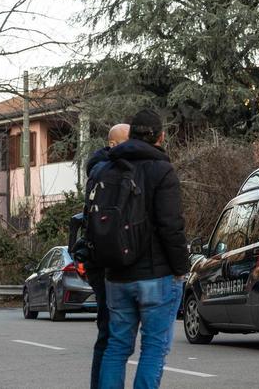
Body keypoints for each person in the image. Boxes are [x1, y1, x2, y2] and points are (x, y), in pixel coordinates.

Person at [97, 110, 189, 388]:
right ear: (160, 137)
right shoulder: (162, 170)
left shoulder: (107, 169)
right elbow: (171, 226)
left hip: (117, 273)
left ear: (131, 134)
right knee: (153, 348)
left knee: (116, 347)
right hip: (156, 274)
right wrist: (180, 268)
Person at [74, 123, 129, 389]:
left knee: (109, 333)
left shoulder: (98, 170)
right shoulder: (108, 172)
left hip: (100, 259)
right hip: (107, 261)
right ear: (115, 145)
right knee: (111, 335)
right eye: (130, 141)